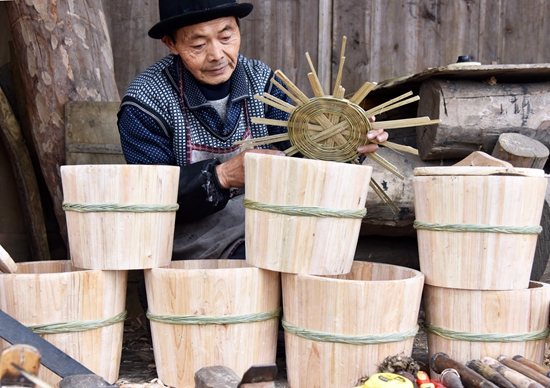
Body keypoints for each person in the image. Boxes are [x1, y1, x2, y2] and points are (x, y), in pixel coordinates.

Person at [117, 0, 388, 262]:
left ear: (238, 28)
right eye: (198, 44)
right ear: (171, 43)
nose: (216, 55)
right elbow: (150, 196)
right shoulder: (146, 101)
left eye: (226, 37)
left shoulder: (263, 83)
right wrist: (221, 176)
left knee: (320, 251)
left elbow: (300, 162)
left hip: (266, 227)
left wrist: (343, 144)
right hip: (187, 249)